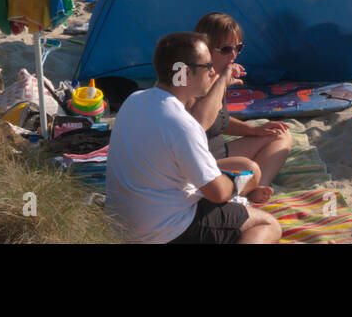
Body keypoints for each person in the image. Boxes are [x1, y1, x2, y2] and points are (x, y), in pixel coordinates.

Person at [105, 32, 281, 244]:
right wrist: (236, 183)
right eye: (207, 66)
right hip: (164, 231)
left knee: (243, 168)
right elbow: (217, 193)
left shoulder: (134, 101)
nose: (212, 72)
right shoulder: (182, 123)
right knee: (267, 224)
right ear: (183, 73)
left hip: (121, 226)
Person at [189, 13, 293, 201]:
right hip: (199, 164)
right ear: (205, 48)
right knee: (249, 168)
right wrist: (222, 81)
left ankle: (255, 189)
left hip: (219, 151)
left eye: (238, 47)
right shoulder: (193, 80)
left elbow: (219, 120)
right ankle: (247, 188)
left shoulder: (217, 73)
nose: (233, 55)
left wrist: (254, 130)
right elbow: (201, 122)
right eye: (226, 49)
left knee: (280, 133)